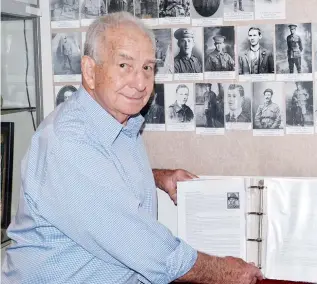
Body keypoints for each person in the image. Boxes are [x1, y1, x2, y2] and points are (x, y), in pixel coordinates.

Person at [1, 12, 263, 284]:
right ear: (90, 71)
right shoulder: (68, 141)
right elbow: (148, 250)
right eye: (124, 66)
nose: (140, 84)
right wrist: (223, 272)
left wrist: (157, 177)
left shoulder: (119, 120)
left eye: (147, 68)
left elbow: (103, 179)